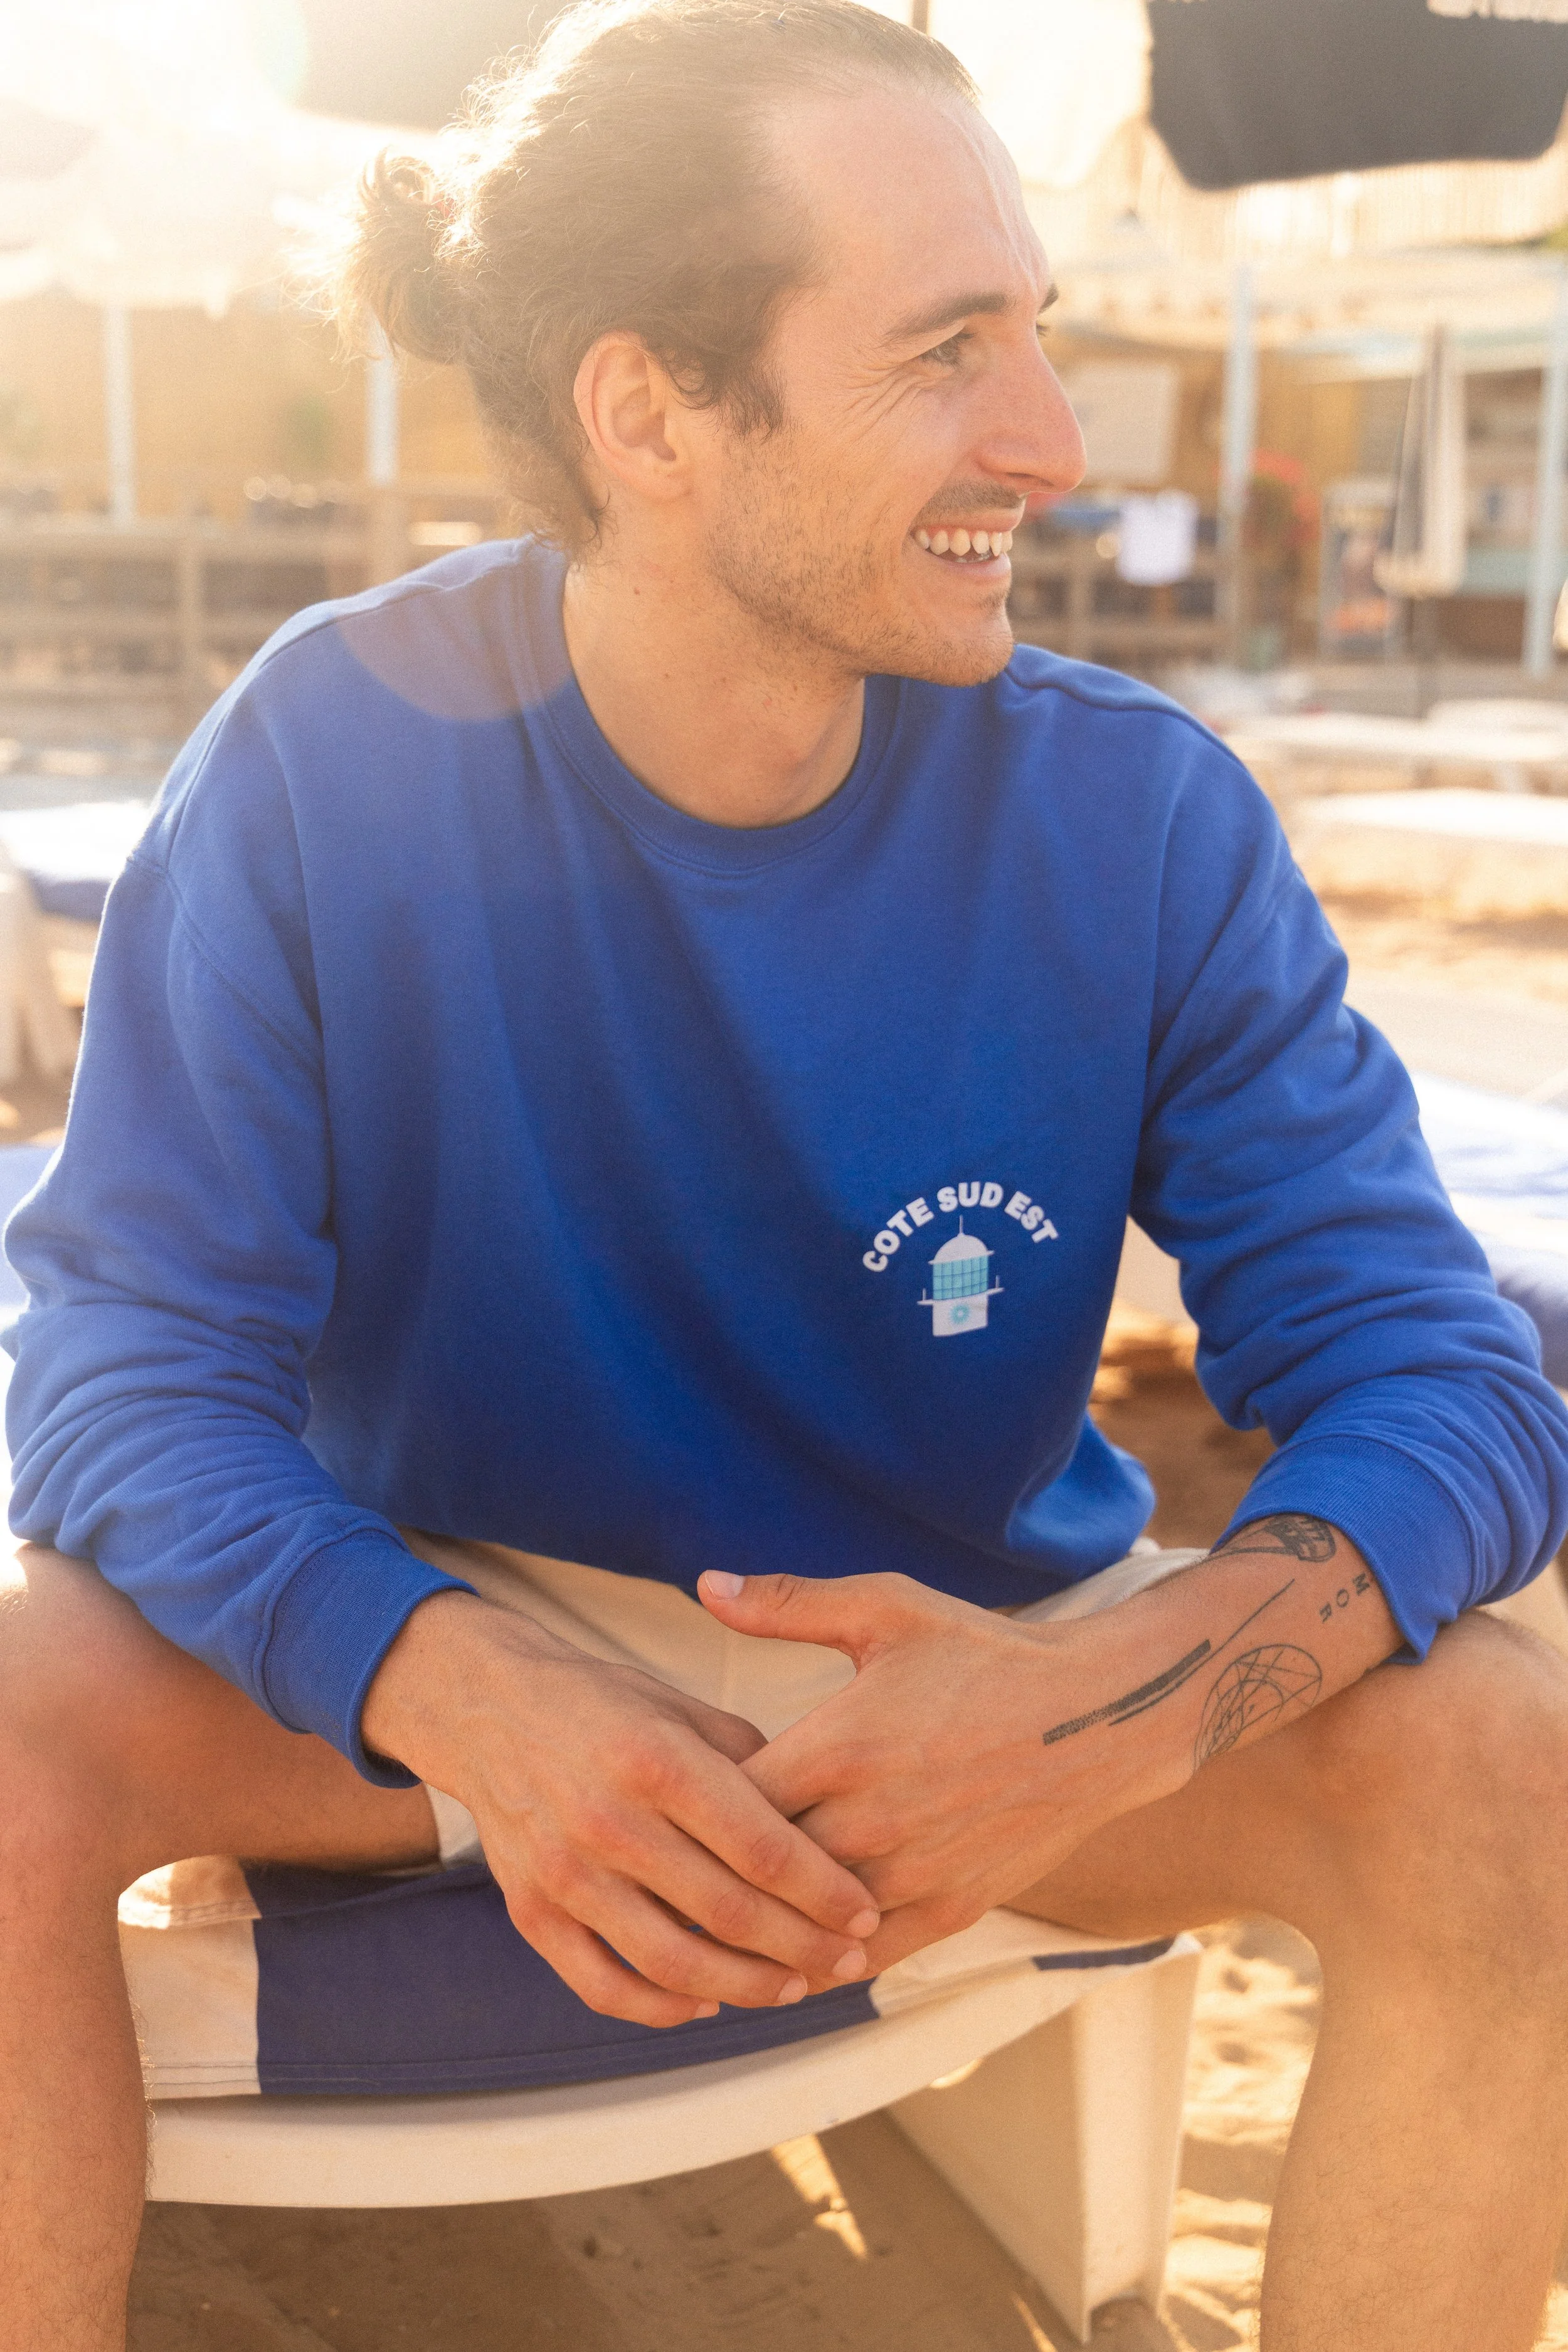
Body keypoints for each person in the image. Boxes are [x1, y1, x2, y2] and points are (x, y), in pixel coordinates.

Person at [6, 3, 1568, 2344]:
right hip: (448, 1626)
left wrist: (1104, 1703)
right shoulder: (331, 763)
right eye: (950, 350)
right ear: (647, 412)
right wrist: (454, 1680)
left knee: (1506, 1769)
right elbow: (120, 1371)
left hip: (964, 1658)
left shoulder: (1130, 817)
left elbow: (1446, 1371)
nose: (1045, 441)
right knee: (15, 1722)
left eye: (1031, 330)